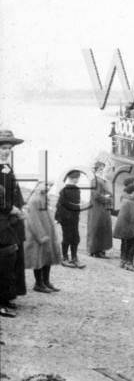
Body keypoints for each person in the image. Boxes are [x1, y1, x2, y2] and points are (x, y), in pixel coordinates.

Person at [0, 129, 29, 317]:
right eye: (3, 148)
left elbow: (13, 192)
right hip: (2, 221)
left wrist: (22, 207)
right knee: (3, 260)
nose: (6, 151)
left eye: (9, 148)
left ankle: (7, 296)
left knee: (12, 260)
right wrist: (13, 210)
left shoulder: (7, 167)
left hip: (11, 221)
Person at [24, 181, 62, 293]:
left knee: (47, 257)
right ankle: (38, 283)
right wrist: (41, 236)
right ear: (38, 184)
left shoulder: (45, 197)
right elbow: (33, 220)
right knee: (38, 259)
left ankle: (46, 281)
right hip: (38, 235)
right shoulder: (35, 200)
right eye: (46, 185)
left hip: (47, 232)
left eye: (50, 185)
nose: (49, 187)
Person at [55, 170, 85, 269]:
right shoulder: (64, 191)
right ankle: (64, 257)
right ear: (71, 178)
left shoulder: (77, 190)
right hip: (66, 219)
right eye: (75, 178)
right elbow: (59, 205)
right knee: (67, 237)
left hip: (74, 218)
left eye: (77, 178)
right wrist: (59, 218)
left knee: (75, 237)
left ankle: (74, 257)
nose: (77, 180)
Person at [113, 183, 134, 271]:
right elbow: (133, 217)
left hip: (125, 227)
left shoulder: (125, 199)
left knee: (128, 244)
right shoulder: (130, 202)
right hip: (130, 227)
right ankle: (130, 263)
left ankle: (123, 261)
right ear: (133, 192)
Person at [87, 161, 113, 259]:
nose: (102, 171)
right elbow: (96, 195)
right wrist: (107, 198)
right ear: (96, 170)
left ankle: (100, 250)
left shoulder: (101, 179)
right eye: (100, 169)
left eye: (103, 169)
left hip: (102, 207)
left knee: (102, 228)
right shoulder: (95, 180)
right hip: (97, 207)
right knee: (97, 227)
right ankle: (95, 250)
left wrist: (109, 196)